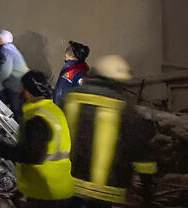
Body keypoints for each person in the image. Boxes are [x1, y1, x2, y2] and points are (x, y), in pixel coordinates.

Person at [64, 55, 157, 208]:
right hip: (105, 193)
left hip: (67, 184)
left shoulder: (71, 98)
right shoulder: (126, 109)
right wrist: (148, 193)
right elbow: (143, 156)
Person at [0, 70, 75, 208]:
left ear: (27, 90)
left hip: (45, 193)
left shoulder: (37, 119)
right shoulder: (54, 111)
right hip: (60, 188)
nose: (20, 91)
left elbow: (31, 155)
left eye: (22, 87)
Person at [53, 41, 90, 105]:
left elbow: (60, 92)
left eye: (69, 49)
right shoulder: (82, 68)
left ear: (73, 55)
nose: (66, 51)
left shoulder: (72, 71)